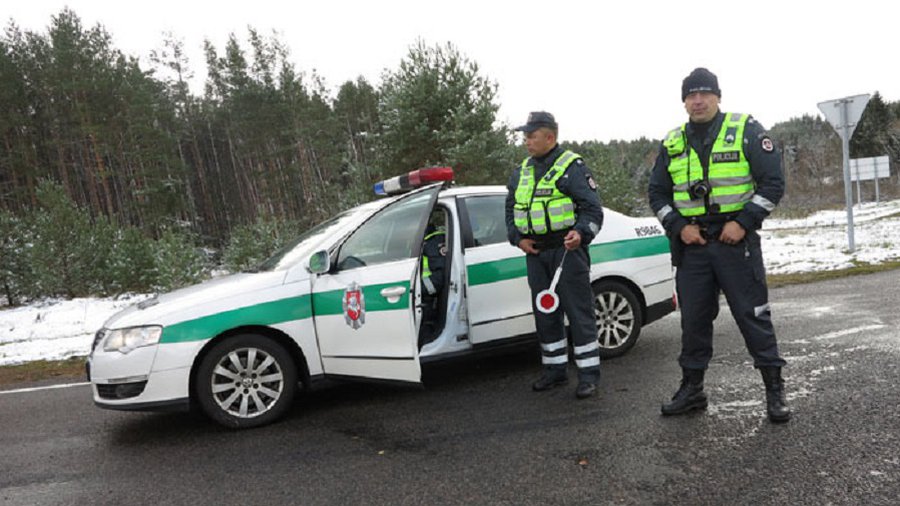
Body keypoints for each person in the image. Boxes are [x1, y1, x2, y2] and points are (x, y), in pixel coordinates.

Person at [648, 68, 790, 423]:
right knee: (693, 322)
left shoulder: (745, 131)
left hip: (734, 244)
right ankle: (692, 390)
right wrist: (678, 227)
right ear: (683, 101)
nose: (697, 101)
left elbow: (773, 183)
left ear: (717, 97)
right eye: (690, 95)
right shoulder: (672, 142)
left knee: (753, 316)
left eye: (704, 94)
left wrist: (743, 223)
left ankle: (775, 391)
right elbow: (657, 193)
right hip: (693, 247)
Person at [505, 111, 604, 399]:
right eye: (525, 136)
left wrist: (581, 233)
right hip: (536, 254)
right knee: (546, 313)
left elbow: (592, 209)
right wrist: (518, 239)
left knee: (579, 313)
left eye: (532, 136)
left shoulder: (571, 167)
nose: (527, 141)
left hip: (566, 251)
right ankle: (555, 371)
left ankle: (588, 376)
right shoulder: (522, 171)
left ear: (550, 137)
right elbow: (509, 211)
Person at [419, 212, 447, 346]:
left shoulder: (432, 245)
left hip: (430, 300)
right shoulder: (426, 242)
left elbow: (440, 278)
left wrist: (417, 289)